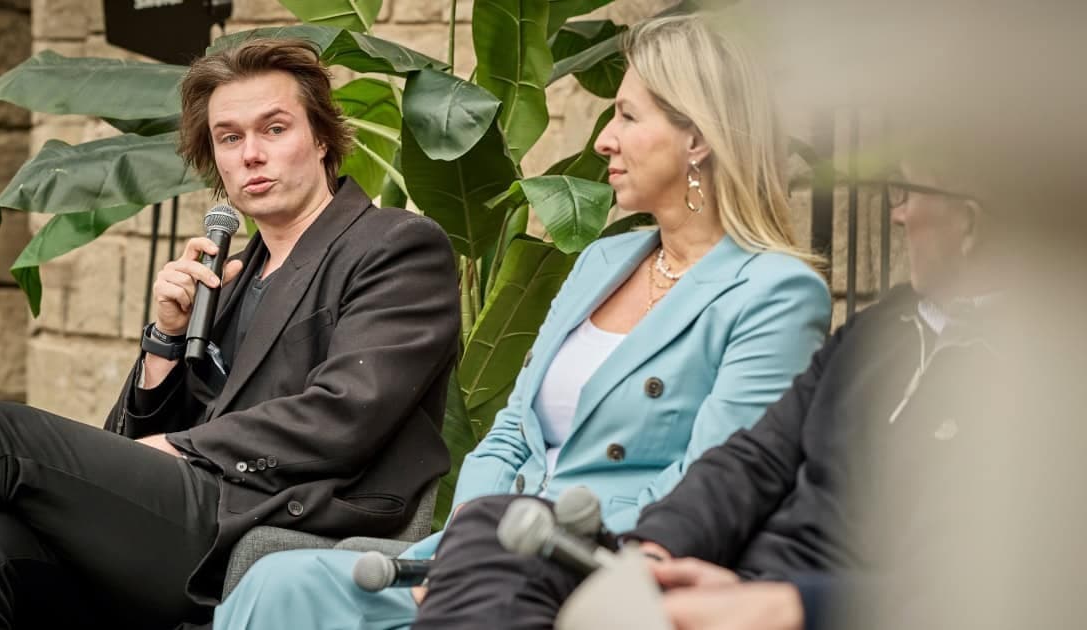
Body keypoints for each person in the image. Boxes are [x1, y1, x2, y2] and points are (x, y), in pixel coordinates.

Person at [214, 13, 832, 630]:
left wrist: (514, 558)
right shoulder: (603, 259)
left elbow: (714, 481)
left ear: (696, 138)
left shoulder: (776, 292)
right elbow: (512, 430)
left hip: (605, 564)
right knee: (279, 580)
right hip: (489, 545)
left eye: (627, 116)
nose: (603, 141)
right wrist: (466, 552)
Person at [0, 39, 461, 630]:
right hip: (191, 519)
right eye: (230, 138)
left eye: (275, 129)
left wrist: (188, 448)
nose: (251, 155)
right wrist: (165, 342)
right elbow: (137, 445)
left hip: (287, 523)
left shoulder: (393, 245)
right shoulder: (230, 279)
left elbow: (345, 416)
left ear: (321, 137)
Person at [410, 151, 1007, 630]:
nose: (897, 215)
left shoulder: (1041, 375)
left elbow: (1007, 580)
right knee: (492, 535)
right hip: (734, 582)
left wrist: (795, 603)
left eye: (905, 193)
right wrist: (651, 551)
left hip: (800, 603)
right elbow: (751, 460)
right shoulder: (881, 330)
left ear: (971, 222)